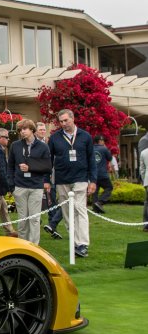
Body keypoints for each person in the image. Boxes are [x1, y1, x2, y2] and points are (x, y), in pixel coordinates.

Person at [48, 109, 96, 257]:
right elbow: (49, 160)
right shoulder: (55, 138)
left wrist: (93, 180)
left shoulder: (85, 136)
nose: (63, 124)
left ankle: (82, 244)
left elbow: (91, 159)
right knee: (67, 212)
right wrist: (46, 180)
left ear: (73, 118)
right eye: (61, 121)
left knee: (79, 208)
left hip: (81, 178)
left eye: (66, 121)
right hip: (62, 179)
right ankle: (75, 243)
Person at [7, 119, 51, 245]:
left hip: (36, 186)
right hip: (19, 186)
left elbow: (48, 167)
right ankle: (23, 245)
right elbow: (10, 166)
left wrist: (30, 167)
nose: (22, 132)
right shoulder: (15, 145)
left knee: (34, 218)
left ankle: (34, 246)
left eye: (24, 129)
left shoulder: (43, 146)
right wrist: (12, 185)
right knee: (23, 219)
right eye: (20, 130)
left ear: (32, 129)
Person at [0, 128, 18, 237]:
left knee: (3, 209)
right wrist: (8, 187)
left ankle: (10, 231)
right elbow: (1, 170)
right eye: (6, 137)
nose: (8, 139)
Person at [90, 135, 113, 214]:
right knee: (109, 187)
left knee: (95, 191)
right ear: (100, 141)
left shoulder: (90, 149)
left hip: (93, 174)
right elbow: (110, 158)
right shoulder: (104, 148)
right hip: (102, 174)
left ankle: (95, 208)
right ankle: (100, 202)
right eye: (103, 140)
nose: (103, 142)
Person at [140, 145, 148, 231]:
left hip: (147, 180)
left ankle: (146, 225)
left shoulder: (144, 152)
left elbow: (142, 169)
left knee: (147, 203)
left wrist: (144, 180)